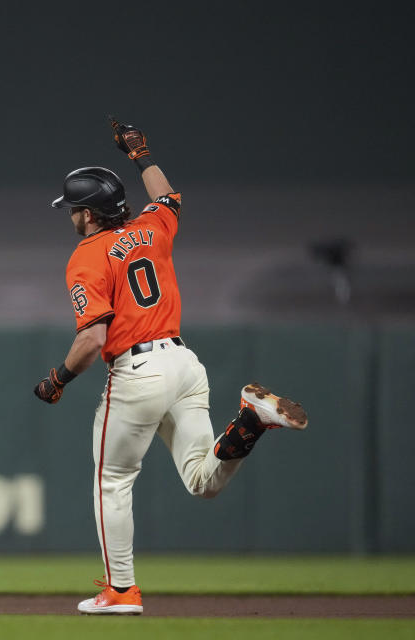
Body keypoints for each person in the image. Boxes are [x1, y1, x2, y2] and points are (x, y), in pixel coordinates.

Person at [33, 119, 308, 615]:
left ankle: (120, 592)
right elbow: (169, 196)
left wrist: (59, 378)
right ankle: (249, 420)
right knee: (203, 481)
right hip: (184, 364)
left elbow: (93, 339)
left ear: (90, 215)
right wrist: (142, 155)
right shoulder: (151, 228)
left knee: (112, 481)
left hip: (138, 372)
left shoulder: (87, 256)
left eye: (75, 209)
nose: (71, 216)